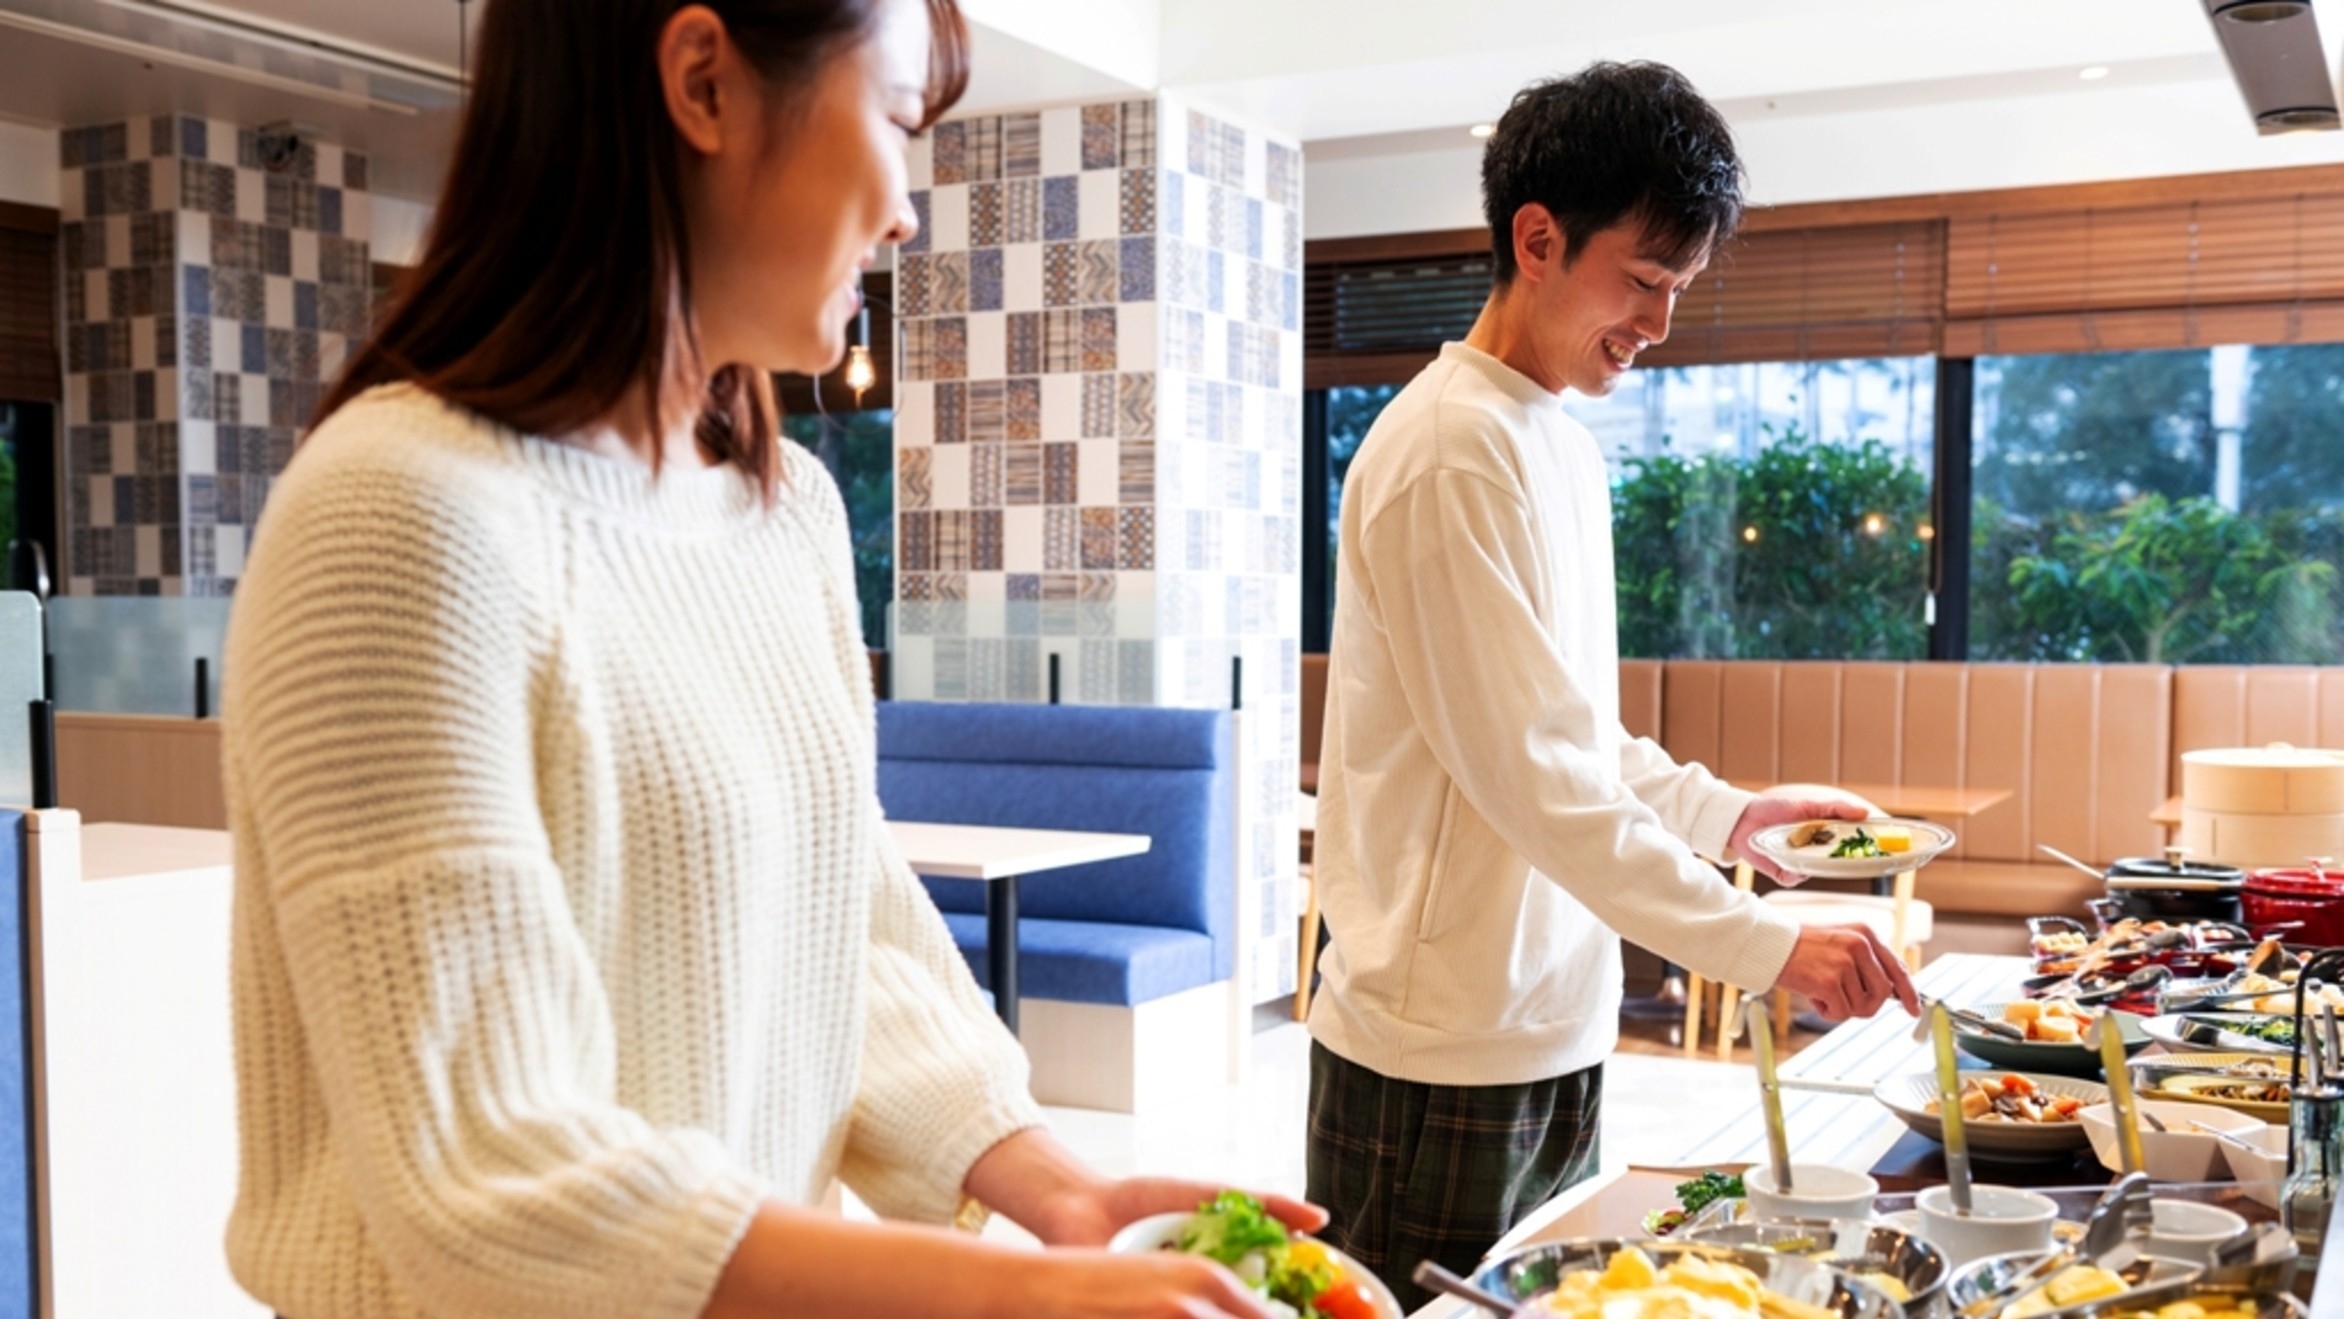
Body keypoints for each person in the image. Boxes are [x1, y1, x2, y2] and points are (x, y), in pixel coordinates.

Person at [219, 2, 1317, 1317]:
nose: (908, 211)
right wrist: (989, 1294)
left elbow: (836, 920)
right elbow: (488, 1166)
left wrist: (1044, 1181)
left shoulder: (780, 508)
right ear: (701, 80)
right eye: (897, 121)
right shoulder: (397, 509)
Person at [1304, 60, 1921, 1308]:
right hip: (1437, 1044)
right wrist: (1759, 943)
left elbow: (1566, 727)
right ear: (1537, 238)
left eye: (1678, 288)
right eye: (1642, 280)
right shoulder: (1444, 451)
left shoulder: (1557, 445)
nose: (1659, 323)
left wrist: (1726, 816)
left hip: (1550, 1010)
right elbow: (1532, 777)